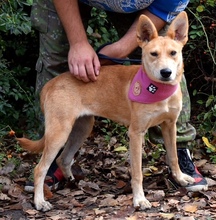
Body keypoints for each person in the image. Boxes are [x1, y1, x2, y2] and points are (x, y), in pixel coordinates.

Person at [25, 0, 208, 192]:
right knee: (58, 63)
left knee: (166, 61)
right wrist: (78, 43)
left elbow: (166, 8)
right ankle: (53, 157)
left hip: (141, 6)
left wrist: (122, 48)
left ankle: (180, 156)